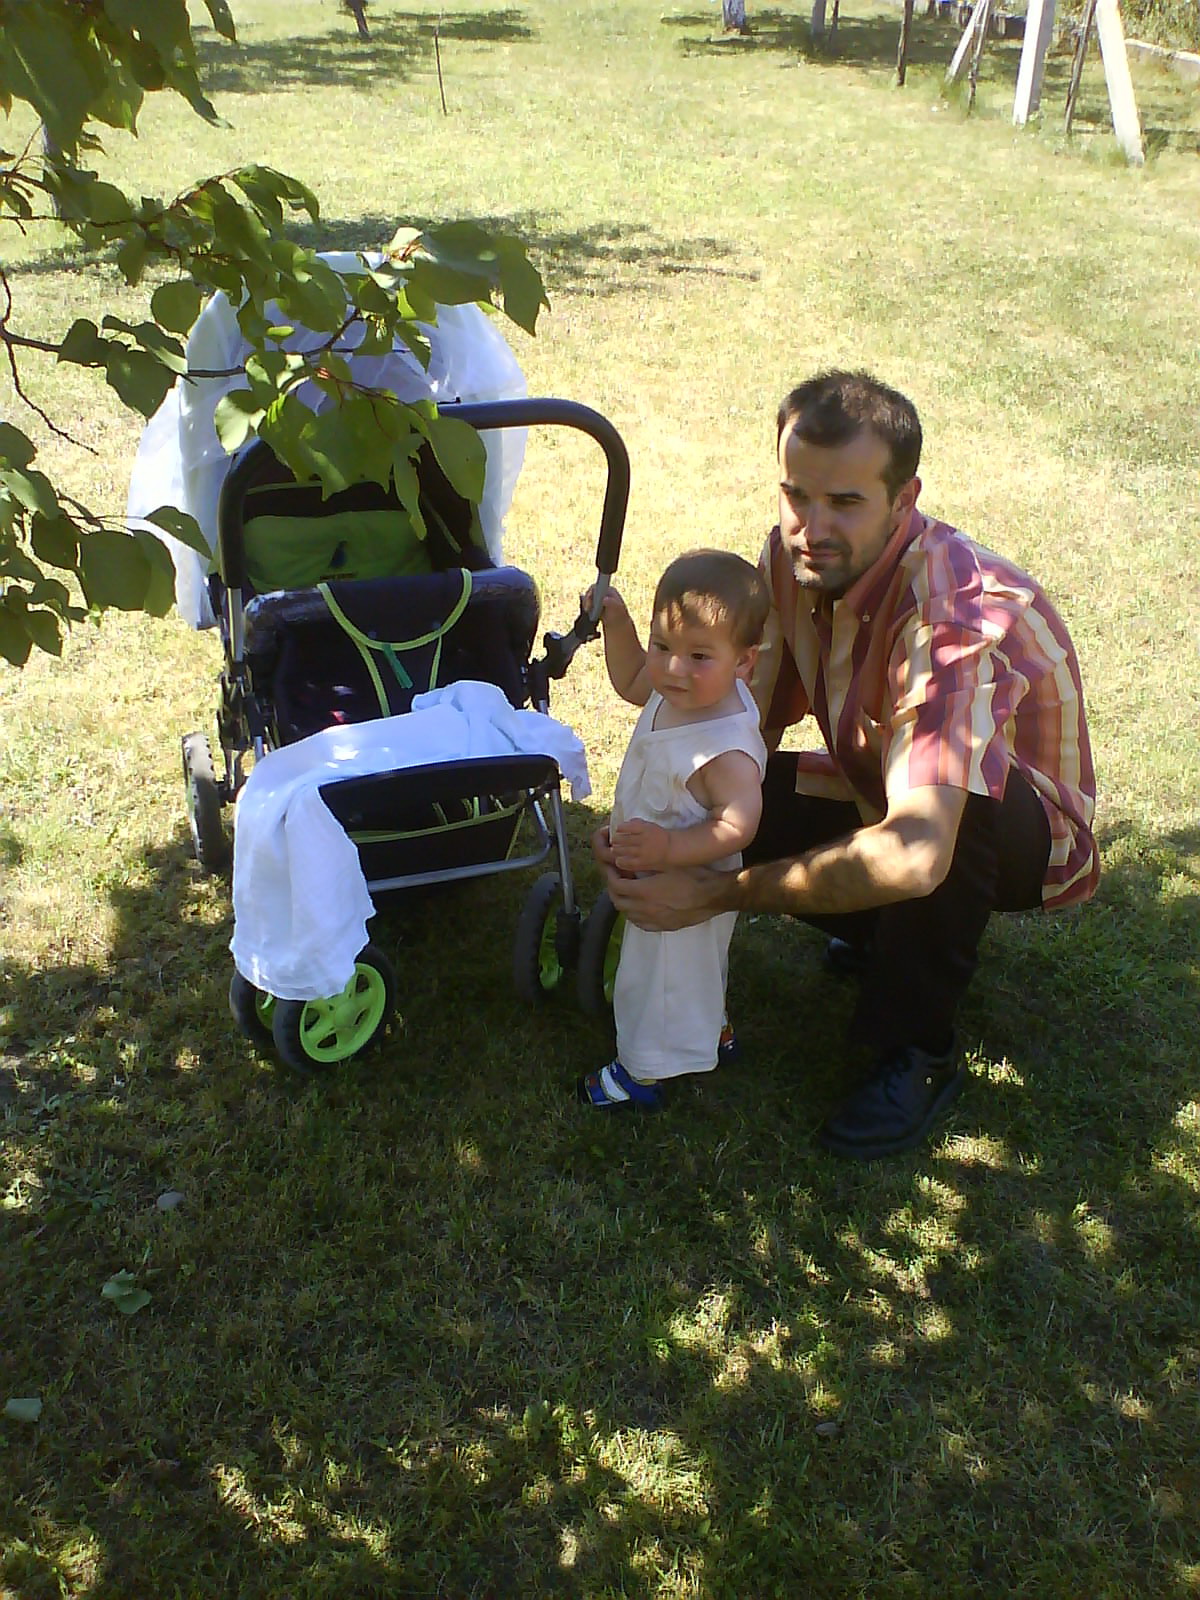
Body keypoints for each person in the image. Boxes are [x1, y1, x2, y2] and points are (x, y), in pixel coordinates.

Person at [596, 370, 1098, 1156]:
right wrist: (653, 830)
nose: (812, 527)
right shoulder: (788, 562)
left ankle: (916, 1049)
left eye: (845, 502)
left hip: (1016, 835)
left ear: (904, 499)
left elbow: (918, 850)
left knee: (951, 806)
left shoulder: (951, 615)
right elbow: (737, 730)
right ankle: (873, 929)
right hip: (879, 782)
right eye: (796, 495)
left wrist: (718, 891)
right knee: (734, 786)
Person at [578, 550, 770, 1109]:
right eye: (663, 645)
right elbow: (631, 679)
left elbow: (739, 824)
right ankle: (713, 1030)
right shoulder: (679, 686)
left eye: (698, 656)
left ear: (744, 662)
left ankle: (642, 1072)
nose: (672, 669)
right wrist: (617, 621)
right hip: (655, 861)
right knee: (691, 971)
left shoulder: (724, 746)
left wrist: (668, 848)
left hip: (688, 880)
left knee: (657, 977)